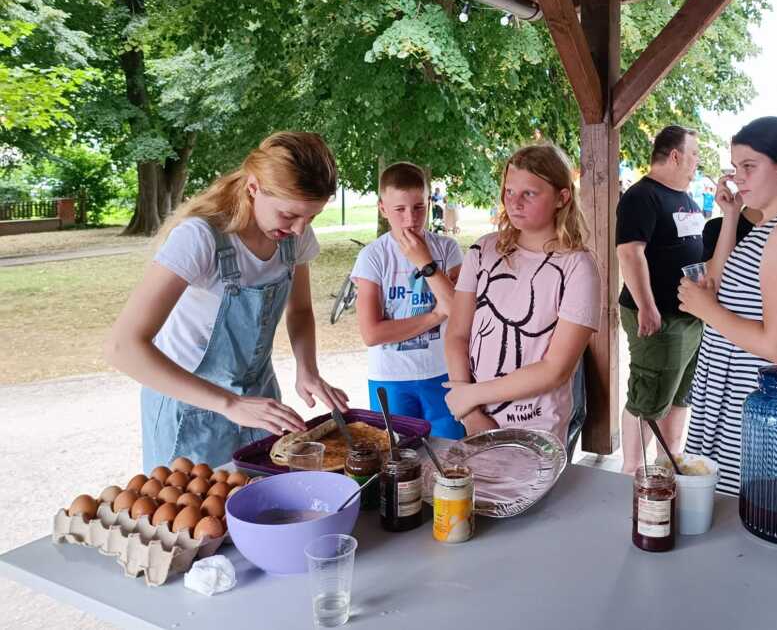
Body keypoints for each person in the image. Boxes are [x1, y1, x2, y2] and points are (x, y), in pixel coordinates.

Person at [105, 132, 348, 471]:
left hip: (257, 402)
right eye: (288, 215)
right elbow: (122, 347)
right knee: (198, 516)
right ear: (253, 188)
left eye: (311, 217)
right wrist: (230, 403)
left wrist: (307, 369)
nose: (299, 229)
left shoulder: (294, 237)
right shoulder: (200, 238)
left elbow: (301, 309)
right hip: (189, 405)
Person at [679, 117, 777, 496]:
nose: (739, 178)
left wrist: (706, 311)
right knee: (716, 502)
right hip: (730, 388)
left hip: (753, 398)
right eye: (735, 168)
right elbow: (715, 281)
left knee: (739, 508)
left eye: (749, 167)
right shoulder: (771, 226)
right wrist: (731, 216)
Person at [443, 144, 600, 441]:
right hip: (473, 415)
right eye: (509, 191)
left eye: (529, 193)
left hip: (536, 428)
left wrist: (469, 396)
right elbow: (457, 334)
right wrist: (472, 414)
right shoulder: (483, 250)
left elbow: (555, 369)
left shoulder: (577, 267)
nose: (514, 203)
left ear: (561, 197)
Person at [616, 126, 706, 473]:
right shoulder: (643, 196)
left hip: (689, 316)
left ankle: (667, 464)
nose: (697, 161)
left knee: (679, 392)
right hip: (657, 315)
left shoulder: (688, 200)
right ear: (675, 155)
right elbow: (630, 254)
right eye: (694, 153)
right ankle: (632, 471)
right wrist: (647, 307)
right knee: (649, 393)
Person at [351, 163, 464, 438]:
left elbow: (459, 313)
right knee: (398, 462)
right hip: (390, 379)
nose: (410, 219)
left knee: (452, 457)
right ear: (382, 208)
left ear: (429, 202)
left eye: (419, 207)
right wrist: (436, 316)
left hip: (443, 374)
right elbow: (372, 333)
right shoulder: (373, 257)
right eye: (399, 210)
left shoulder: (446, 249)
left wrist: (425, 263)